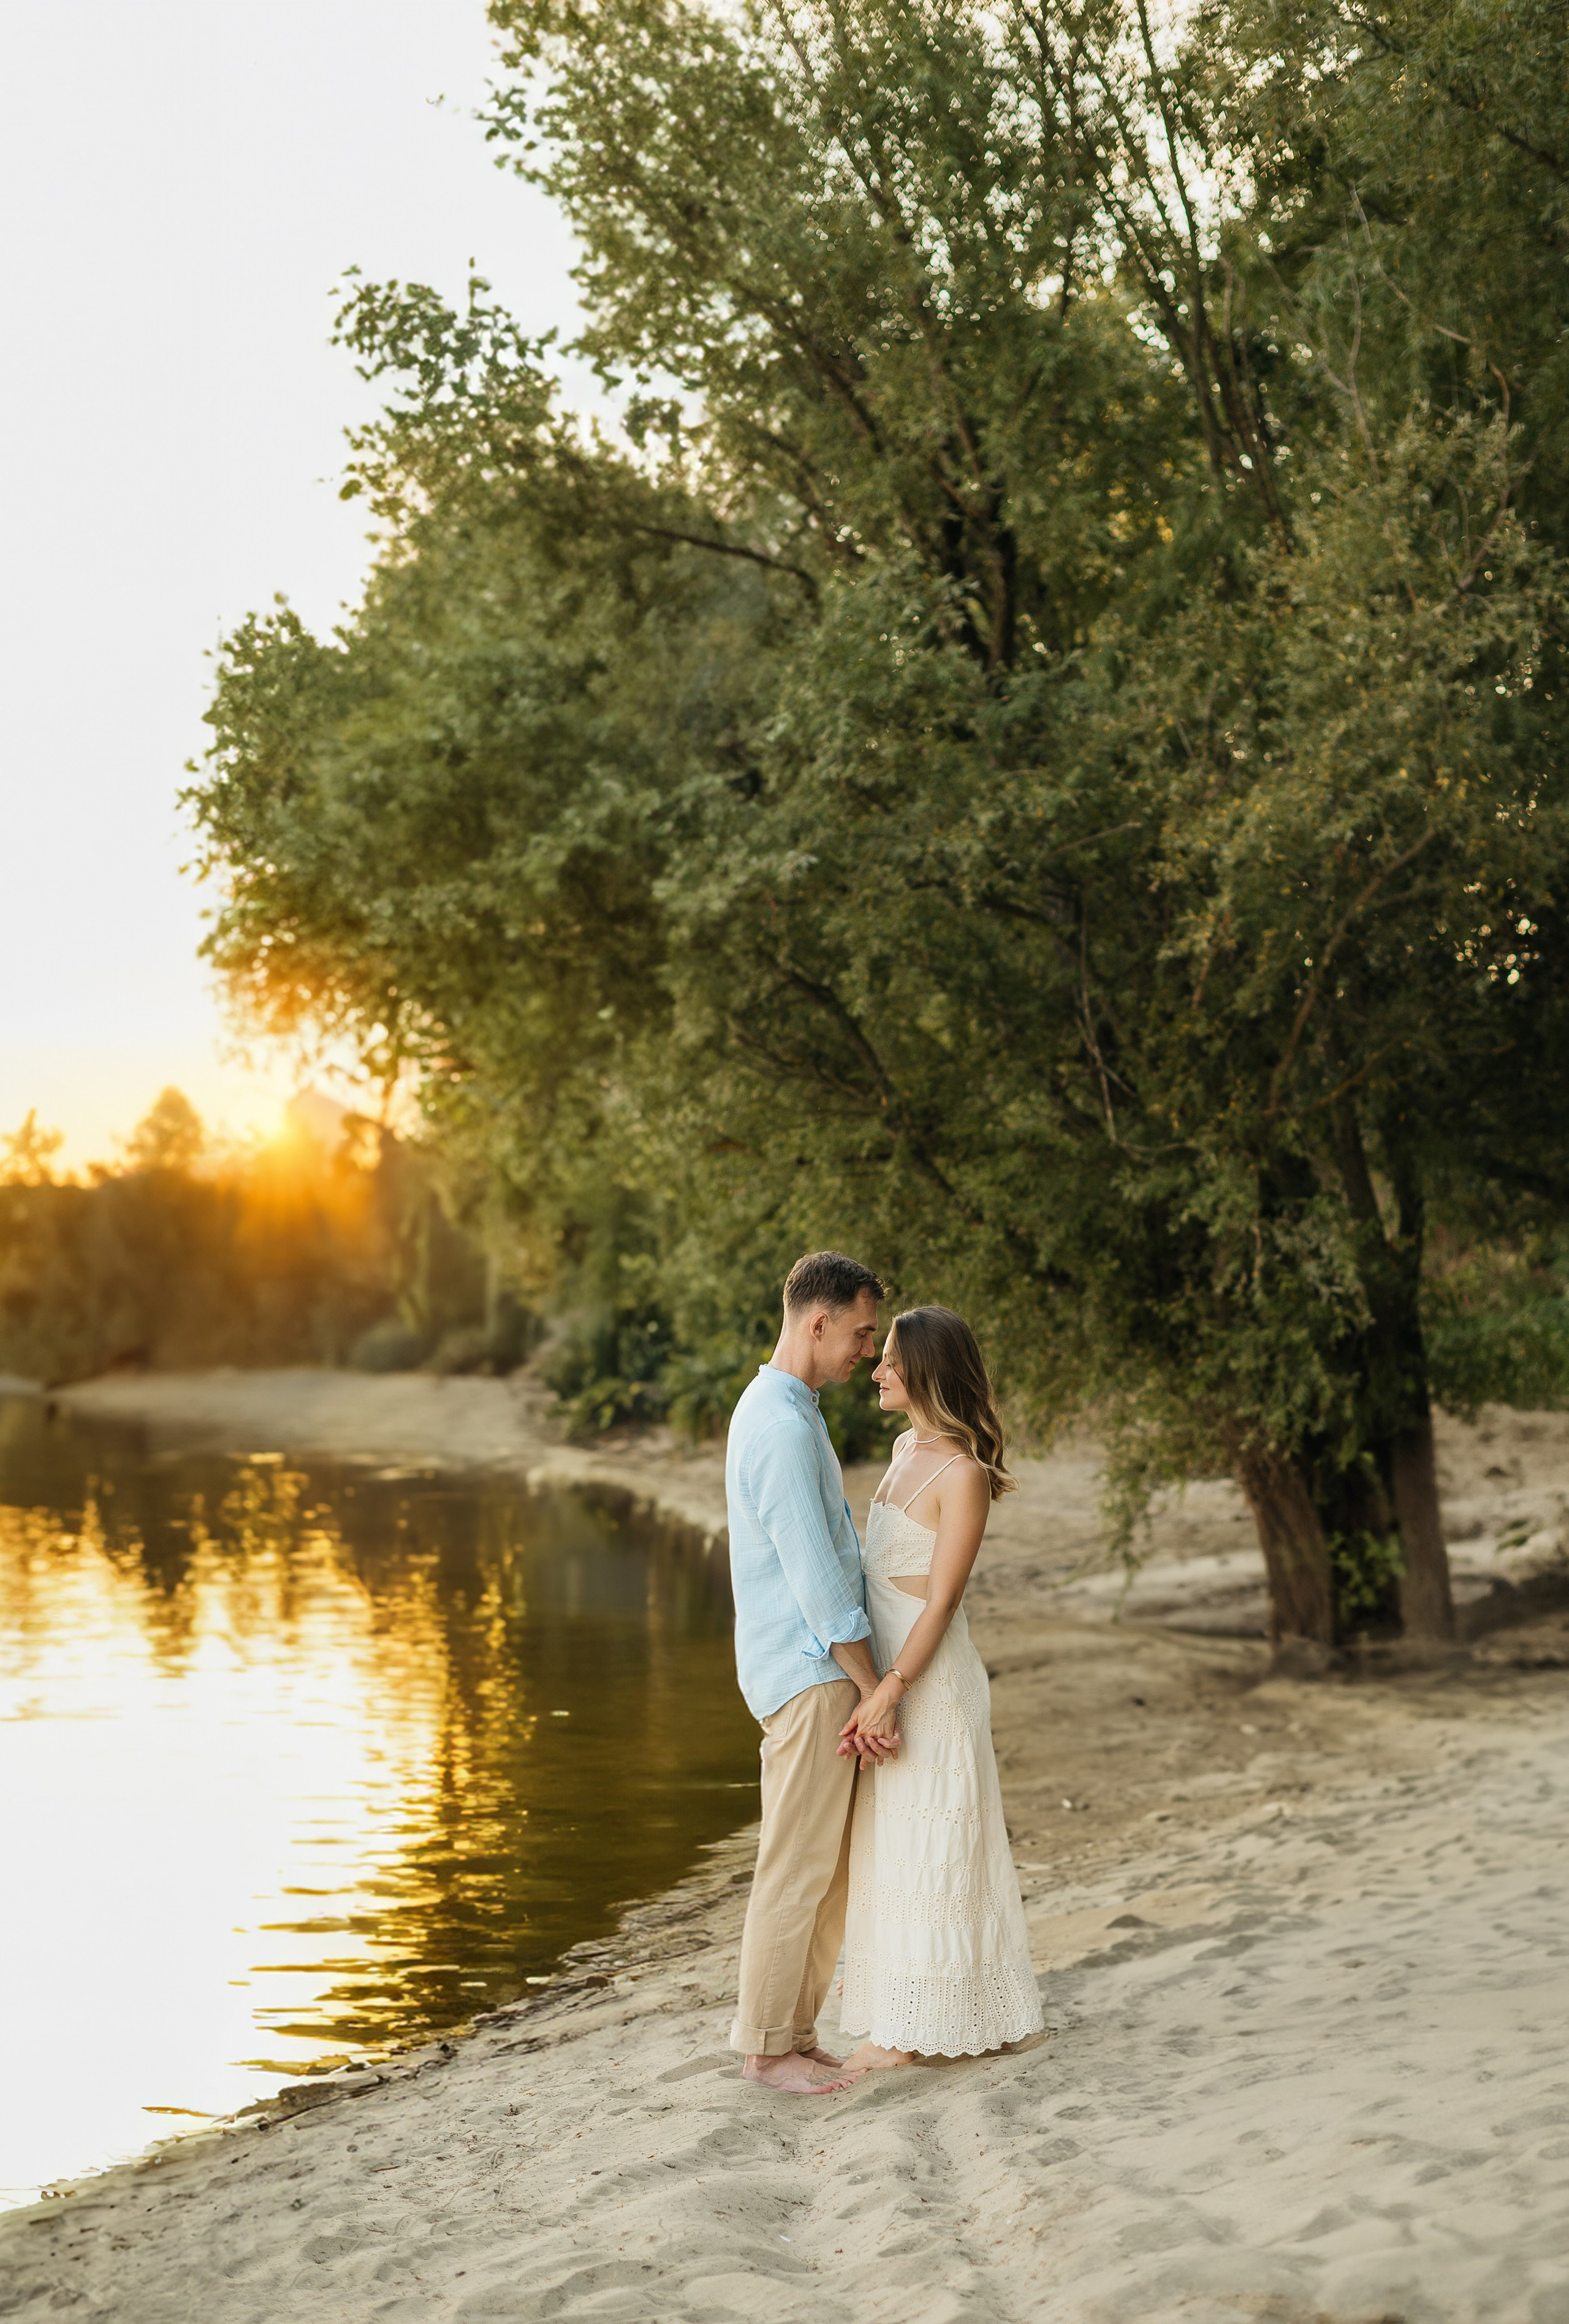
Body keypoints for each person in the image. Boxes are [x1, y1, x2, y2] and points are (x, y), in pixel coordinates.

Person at [837, 1305, 1044, 2070]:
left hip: (932, 1681)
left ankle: (914, 2034)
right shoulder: (899, 1449)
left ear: (924, 1370)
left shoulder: (964, 1476)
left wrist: (890, 1687)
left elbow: (941, 1601)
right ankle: (910, 2012)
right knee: (895, 1844)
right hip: (887, 1676)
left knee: (939, 1843)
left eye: (889, 1358)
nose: (877, 1368)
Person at [725, 1250, 898, 2095]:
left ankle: (794, 2033)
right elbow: (821, 1584)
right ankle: (765, 2047)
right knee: (796, 1863)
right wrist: (875, 1689)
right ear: (817, 1320)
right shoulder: (783, 1425)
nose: (868, 1349)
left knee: (823, 1867)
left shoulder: (789, 1409)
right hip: (811, 1670)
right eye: (861, 1332)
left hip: (811, 1668)